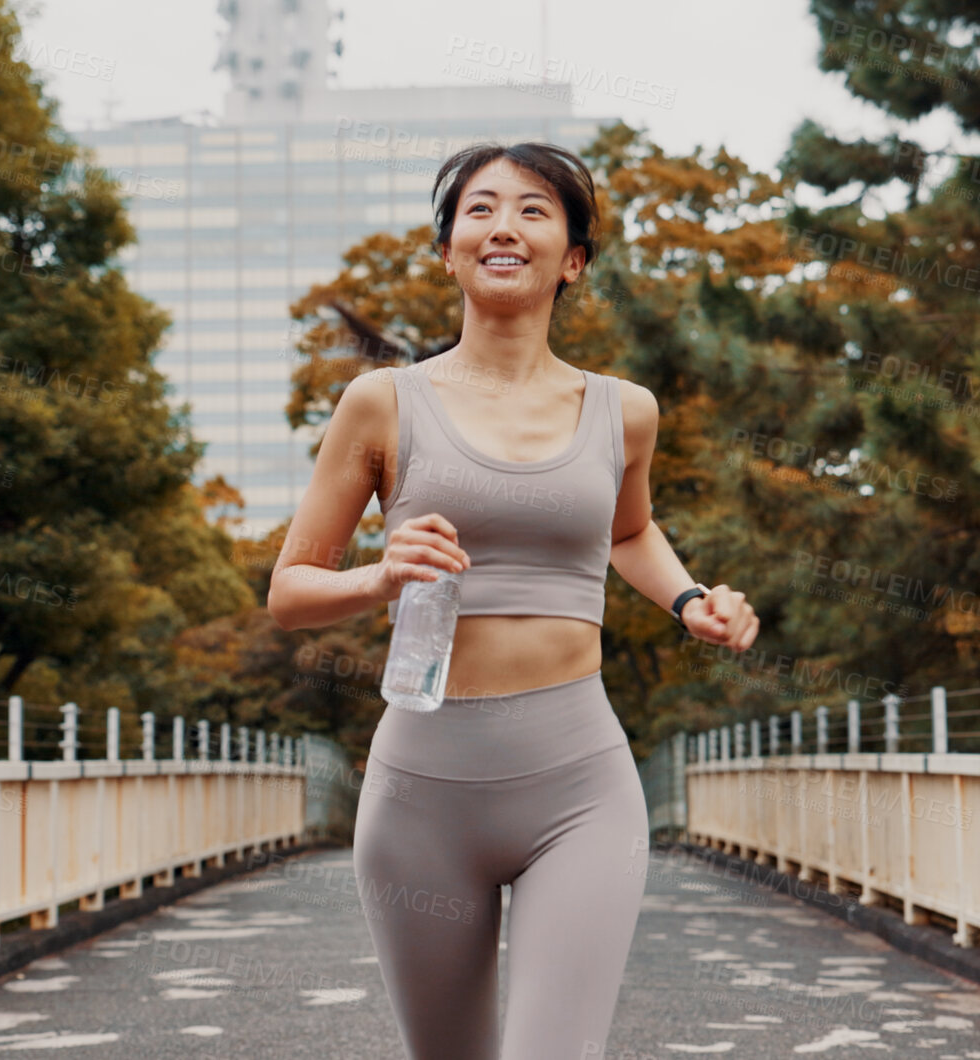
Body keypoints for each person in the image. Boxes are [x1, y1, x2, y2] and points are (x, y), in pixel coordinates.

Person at [267, 140, 761, 1059]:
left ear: (572, 259)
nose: (505, 226)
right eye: (480, 208)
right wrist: (379, 576)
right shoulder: (382, 405)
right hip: (420, 787)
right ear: (447, 247)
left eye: (535, 210)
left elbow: (625, 533)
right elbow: (290, 591)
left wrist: (689, 598)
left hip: (578, 787)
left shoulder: (624, 411)